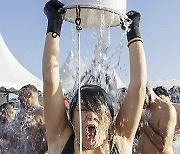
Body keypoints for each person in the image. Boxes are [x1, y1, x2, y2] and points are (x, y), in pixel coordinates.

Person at [43, 0, 147, 153]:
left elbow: (139, 86)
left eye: (99, 109)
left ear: (109, 119)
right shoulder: (61, 139)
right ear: (72, 120)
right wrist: (54, 25)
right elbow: (50, 82)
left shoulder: (120, 141)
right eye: (83, 109)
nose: (91, 115)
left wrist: (133, 32)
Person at [135, 84, 177, 154]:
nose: (139, 103)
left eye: (139, 99)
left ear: (146, 92)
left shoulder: (167, 110)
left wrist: (144, 124)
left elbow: (162, 146)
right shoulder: (145, 109)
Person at [15, 84, 48, 154]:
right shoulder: (21, 114)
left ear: (29, 94)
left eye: (20, 95)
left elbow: (48, 138)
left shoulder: (43, 113)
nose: (18, 98)